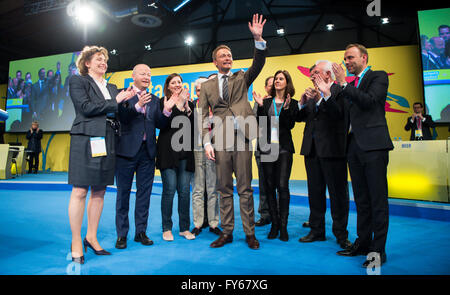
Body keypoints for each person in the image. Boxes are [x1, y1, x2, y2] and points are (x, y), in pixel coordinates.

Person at [200, 14, 267, 250]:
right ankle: (227, 232)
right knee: (224, 188)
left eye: (229, 55)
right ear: (215, 62)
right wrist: (207, 143)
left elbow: (258, 64)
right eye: (223, 56)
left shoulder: (241, 78)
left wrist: (258, 39)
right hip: (220, 141)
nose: (227, 57)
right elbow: (200, 116)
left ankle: (249, 233)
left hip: (242, 138)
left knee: (245, 188)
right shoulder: (207, 86)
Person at [67, 45, 135, 264]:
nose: (103, 62)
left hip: (108, 139)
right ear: (87, 63)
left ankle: (91, 237)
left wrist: (130, 101)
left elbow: (121, 115)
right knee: (79, 191)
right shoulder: (78, 81)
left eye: (105, 59)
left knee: (100, 191)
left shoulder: (113, 87)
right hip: (86, 137)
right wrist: (116, 101)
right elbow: (86, 107)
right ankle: (76, 240)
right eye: (98, 59)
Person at [332, 43, 393, 268]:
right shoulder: (349, 85)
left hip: (374, 147)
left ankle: (378, 250)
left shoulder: (378, 77)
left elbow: (369, 101)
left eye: (350, 58)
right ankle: (363, 242)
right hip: (354, 148)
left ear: (364, 58)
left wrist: (342, 84)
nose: (346, 62)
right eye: (345, 58)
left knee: (377, 200)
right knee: (361, 200)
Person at [115, 64, 177, 249]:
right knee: (123, 193)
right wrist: (137, 105)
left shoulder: (155, 99)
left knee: (144, 194)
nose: (147, 77)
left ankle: (140, 231)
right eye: (143, 73)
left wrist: (166, 110)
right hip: (125, 152)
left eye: (149, 74)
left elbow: (160, 123)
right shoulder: (124, 94)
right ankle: (122, 234)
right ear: (133, 76)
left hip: (148, 152)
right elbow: (123, 117)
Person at [295, 61, 352, 250]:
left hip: (333, 150)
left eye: (316, 73)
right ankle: (317, 230)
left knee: (338, 195)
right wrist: (302, 104)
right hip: (311, 151)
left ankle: (341, 234)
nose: (312, 76)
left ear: (328, 74)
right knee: (315, 193)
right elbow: (300, 118)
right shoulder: (312, 93)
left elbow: (339, 115)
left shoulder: (339, 90)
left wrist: (322, 98)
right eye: (311, 74)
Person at [254, 70, 297, 241]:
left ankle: (284, 226)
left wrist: (286, 109)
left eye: (281, 79)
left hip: (284, 148)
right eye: (276, 79)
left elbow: (290, 125)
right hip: (267, 147)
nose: (277, 81)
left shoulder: (292, 103)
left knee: (282, 186)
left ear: (287, 83)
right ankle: (275, 224)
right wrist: (261, 107)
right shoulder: (265, 101)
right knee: (269, 187)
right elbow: (261, 124)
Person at [156, 73, 196, 241]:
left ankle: (184, 228)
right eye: (173, 82)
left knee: (185, 191)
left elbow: (195, 128)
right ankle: (167, 228)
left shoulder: (190, 103)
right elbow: (160, 124)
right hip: (167, 153)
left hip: (186, 152)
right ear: (168, 86)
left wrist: (187, 108)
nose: (177, 84)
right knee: (169, 190)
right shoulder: (162, 102)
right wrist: (168, 109)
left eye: (179, 82)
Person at [191, 77, 222, 237]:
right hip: (196, 150)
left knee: (212, 189)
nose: (201, 92)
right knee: (197, 189)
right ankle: (197, 223)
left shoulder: (217, 107)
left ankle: (213, 223)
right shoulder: (190, 106)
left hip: (213, 150)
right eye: (198, 90)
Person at [254, 76, 273, 227]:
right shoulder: (259, 102)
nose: (273, 87)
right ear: (266, 87)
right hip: (262, 148)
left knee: (279, 184)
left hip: (279, 149)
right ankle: (265, 214)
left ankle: (278, 213)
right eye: (270, 85)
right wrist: (261, 106)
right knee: (263, 183)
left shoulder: (284, 102)